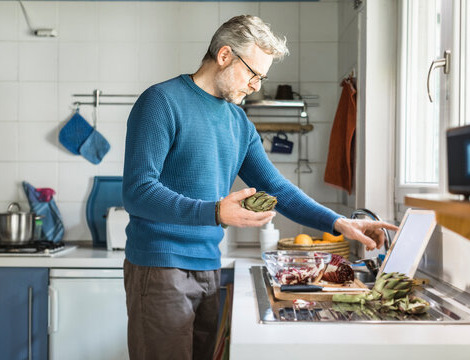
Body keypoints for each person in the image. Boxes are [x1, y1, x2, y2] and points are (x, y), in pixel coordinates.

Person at [122, 14, 398, 360]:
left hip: (209, 267)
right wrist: (216, 211)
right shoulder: (161, 102)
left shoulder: (238, 122)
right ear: (224, 56)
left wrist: (339, 223)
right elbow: (138, 190)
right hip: (159, 267)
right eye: (253, 74)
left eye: (261, 78)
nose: (256, 85)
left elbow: (275, 186)